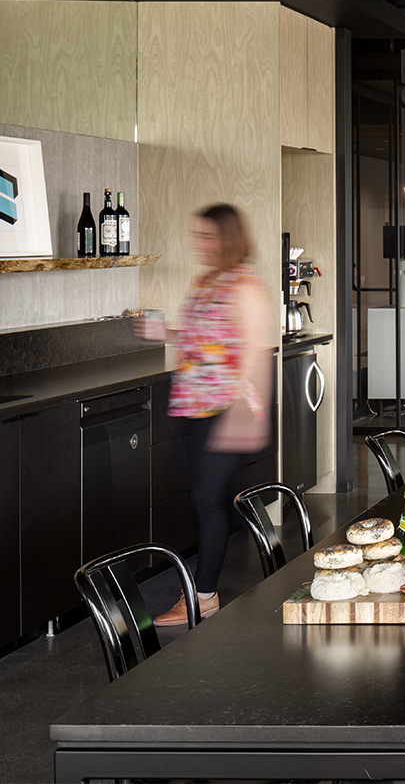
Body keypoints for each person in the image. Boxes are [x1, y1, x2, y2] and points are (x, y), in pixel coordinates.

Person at [138, 204, 274, 625]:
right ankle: (205, 588)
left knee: (207, 502)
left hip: (225, 410)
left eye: (207, 237)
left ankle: (202, 596)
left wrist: (248, 417)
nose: (199, 244)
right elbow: (201, 338)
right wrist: (165, 333)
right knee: (206, 501)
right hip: (194, 408)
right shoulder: (206, 282)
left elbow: (256, 355)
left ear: (228, 238)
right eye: (197, 236)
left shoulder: (245, 288)